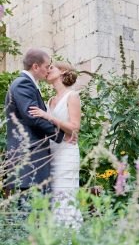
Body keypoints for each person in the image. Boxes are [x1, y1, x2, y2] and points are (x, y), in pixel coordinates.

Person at [28, 61, 82, 228]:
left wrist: (48, 116)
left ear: (63, 71)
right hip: (51, 154)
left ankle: (70, 240)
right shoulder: (50, 100)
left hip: (67, 153)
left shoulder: (72, 96)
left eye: (51, 67)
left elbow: (74, 129)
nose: (47, 70)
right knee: (53, 199)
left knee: (65, 195)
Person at [5, 49, 65, 196]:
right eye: (46, 66)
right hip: (29, 157)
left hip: (32, 157)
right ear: (36, 67)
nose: (48, 70)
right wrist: (60, 134)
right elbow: (33, 116)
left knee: (34, 212)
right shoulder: (23, 84)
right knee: (30, 212)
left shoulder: (26, 84)